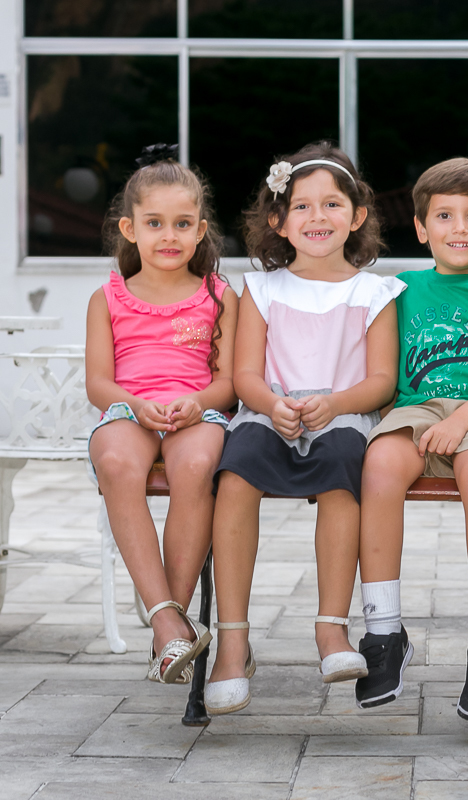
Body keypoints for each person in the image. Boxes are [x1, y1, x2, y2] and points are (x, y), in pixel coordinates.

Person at [206, 142, 405, 714]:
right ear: (278, 221)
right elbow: (245, 373)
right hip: (268, 413)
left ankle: (330, 628)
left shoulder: (376, 292)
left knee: (345, 473)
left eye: (332, 204)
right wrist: (271, 403)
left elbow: (382, 381)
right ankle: (232, 642)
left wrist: (335, 401)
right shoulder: (261, 290)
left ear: (358, 216)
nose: (318, 218)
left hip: (341, 413)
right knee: (237, 473)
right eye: (301, 207)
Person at [356, 157, 468, 723]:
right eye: (444, 216)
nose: (459, 228)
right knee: (378, 464)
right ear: (422, 228)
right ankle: (382, 633)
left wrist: (459, 423)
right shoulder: (398, 290)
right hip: (415, 408)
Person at [85, 144, 238, 685]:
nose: (168, 236)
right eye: (154, 223)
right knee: (119, 464)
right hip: (130, 410)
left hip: (195, 414)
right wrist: (134, 405)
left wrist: (198, 402)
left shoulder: (218, 295)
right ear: (130, 228)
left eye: (182, 224)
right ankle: (168, 620)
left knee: (197, 466)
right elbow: (98, 382)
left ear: (200, 231)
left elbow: (228, 381)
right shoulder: (109, 297)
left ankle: (166, 633)